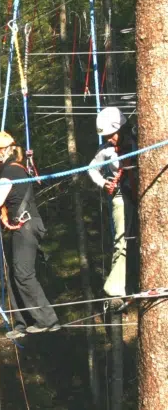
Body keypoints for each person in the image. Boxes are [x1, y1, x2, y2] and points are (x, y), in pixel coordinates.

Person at [0, 132, 60, 339]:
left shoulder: (9, 171)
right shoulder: (17, 169)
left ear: (0, 153)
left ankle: (47, 320)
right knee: (14, 274)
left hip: (26, 226)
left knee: (24, 274)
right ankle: (22, 323)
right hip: (24, 225)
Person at [88, 107, 137, 300]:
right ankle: (117, 288)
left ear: (121, 128)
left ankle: (133, 282)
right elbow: (92, 169)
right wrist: (103, 183)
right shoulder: (106, 150)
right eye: (106, 135)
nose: (109, 139)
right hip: (121, 196)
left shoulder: (137, 140)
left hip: (140, 194)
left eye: (112, 134)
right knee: (122, 240)